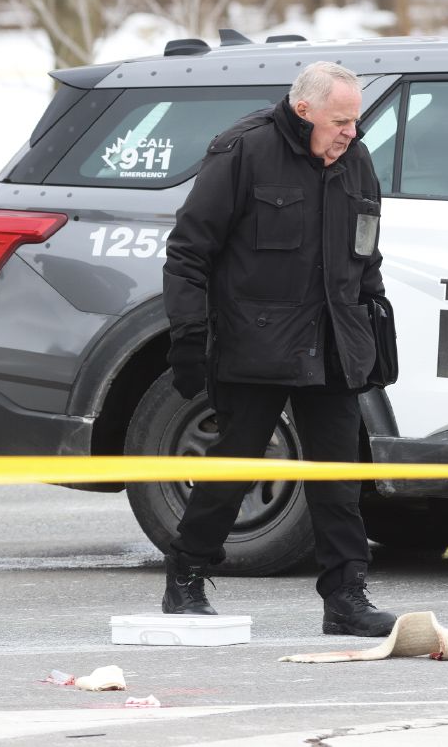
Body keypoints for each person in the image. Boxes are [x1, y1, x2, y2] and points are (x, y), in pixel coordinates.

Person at [161, 61, 397, 637]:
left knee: (338, 477)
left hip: (333, 343)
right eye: (340, 120)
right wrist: (189, 336)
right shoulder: (244, 152)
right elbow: (189, 251)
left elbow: (365, 256)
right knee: (236, 467)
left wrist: (376, 331)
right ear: (303, 111)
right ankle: (186, 576)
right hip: (255, 343)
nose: (351, 131)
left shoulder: (357, 161)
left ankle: (346, 597)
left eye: (356, 119)